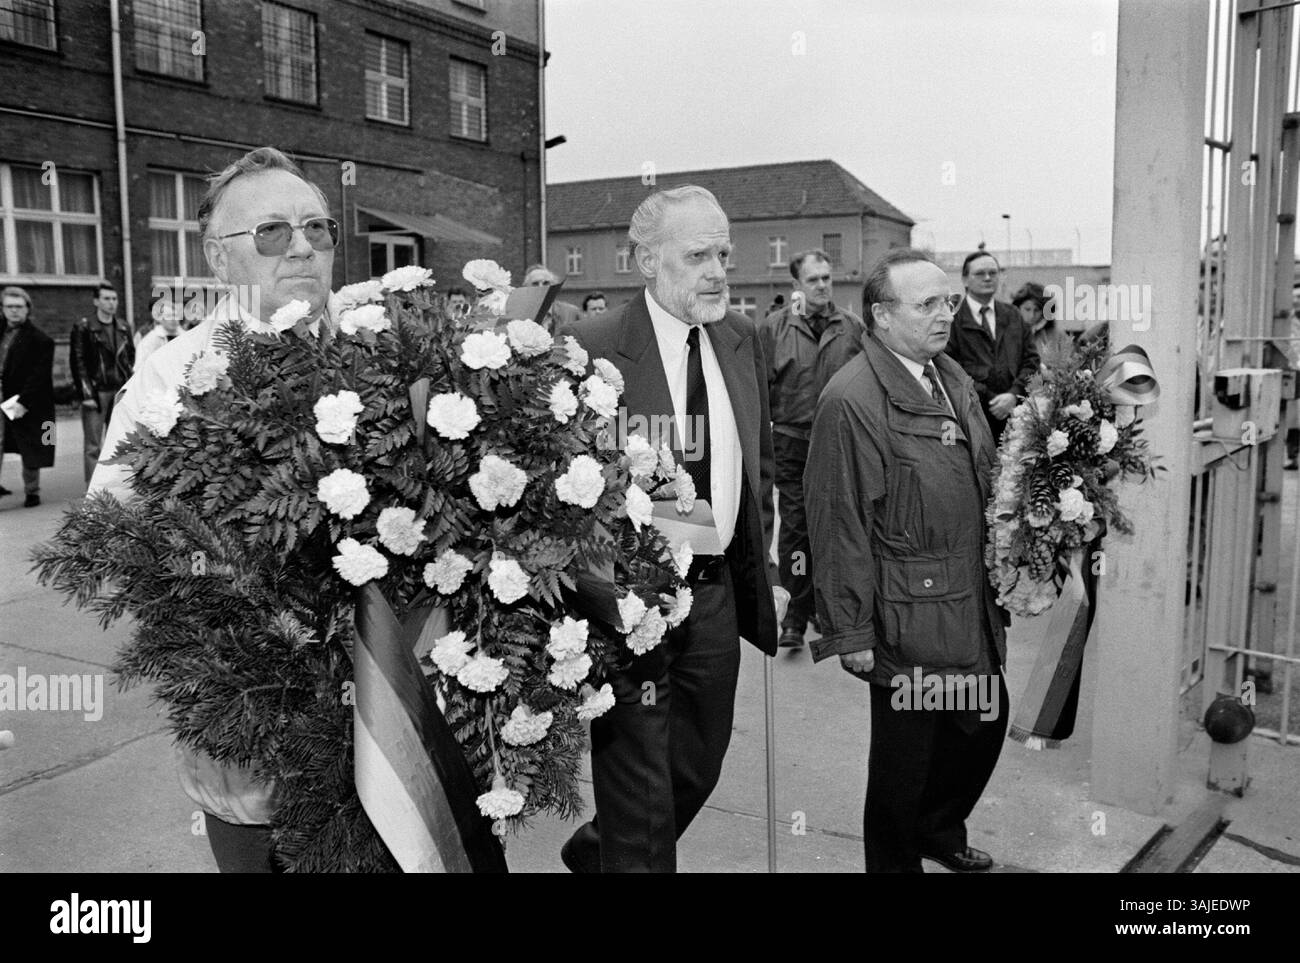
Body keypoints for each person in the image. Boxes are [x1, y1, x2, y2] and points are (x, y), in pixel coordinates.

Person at [88, 146, 339, 873]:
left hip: (380, 714)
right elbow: (109, 527)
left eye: (317, 229)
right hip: (250, 714)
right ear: (220, 259)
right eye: (271, 232)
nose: (301, 247)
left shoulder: (381, 360)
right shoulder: (170, 376)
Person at [557, 185, 786, 873]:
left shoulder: (742, 338)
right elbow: (560, 483)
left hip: (713, 595)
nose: (719, 270)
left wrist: (763, 566)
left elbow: (759, 463)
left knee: (696, 766)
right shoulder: (591, 346)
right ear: (646, 261)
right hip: (630, 603)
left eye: (723, 253)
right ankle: (623, 850)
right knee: (639, 788)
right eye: (698, 255)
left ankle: (600, 851)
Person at [805, 248, 1008, 874]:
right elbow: (839, 522)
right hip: (905, 610)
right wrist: (851, 631)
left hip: (967, 595)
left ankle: (938, 830)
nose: (945, 314)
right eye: (927, 305)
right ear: (882, 317)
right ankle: (896, 862)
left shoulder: (950, 376)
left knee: (980, 726)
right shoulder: (854, 398)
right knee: (905, 763)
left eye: (948, 301)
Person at [758, 248, 866, 649]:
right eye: (813, 279)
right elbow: (760, 388)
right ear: (796, 285)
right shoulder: (773, 329)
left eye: (826, 278)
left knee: (839, 526)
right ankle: (795, 617)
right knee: (797, 528)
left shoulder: (851, 327)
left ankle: (830, 610)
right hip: (792, 442)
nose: (822, 285)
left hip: (840, 441)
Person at [944, 251, 1039, 442]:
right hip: (973, 419)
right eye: (980, 273)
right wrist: (992, 399)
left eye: (993, 273)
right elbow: (950, 369)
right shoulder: (952, 320)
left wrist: (1013, 395)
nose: (987, 278)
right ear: (965, 279)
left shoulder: (1013, 315)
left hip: (1016, 419)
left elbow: (1032, 361)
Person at [70, 282, 134, 484]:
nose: (111, 303)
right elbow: (78, 362)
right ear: (96, 301)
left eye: (114, 299)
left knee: (120, 441)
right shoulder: (84, 327)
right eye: (106, 299)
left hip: (119, 390)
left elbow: (129, 358)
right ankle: (92, 489)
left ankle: (117, 486)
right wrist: (87, 394)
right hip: (97, 392)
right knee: (93, 445)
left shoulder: (123, 327)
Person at [0, 286, 55, 507]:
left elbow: (39, 376)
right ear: (2, 309)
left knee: (31, 445)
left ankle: (32, 491)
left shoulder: (40, 340)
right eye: (9, 306)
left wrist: (23, 401)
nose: (14, 311)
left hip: (22, 398)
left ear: (27, 309)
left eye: (18, 307)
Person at [521, 264, 582, 333]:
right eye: (535, 283)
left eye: (546, 283)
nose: (541, 287)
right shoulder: (518, 317)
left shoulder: (572, 313)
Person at [135, 300, 184, 366]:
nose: (173, 319)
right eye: (169, 316)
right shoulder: (148, 341)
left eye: (176, 315)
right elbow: (140, 367)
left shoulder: (186, 337)